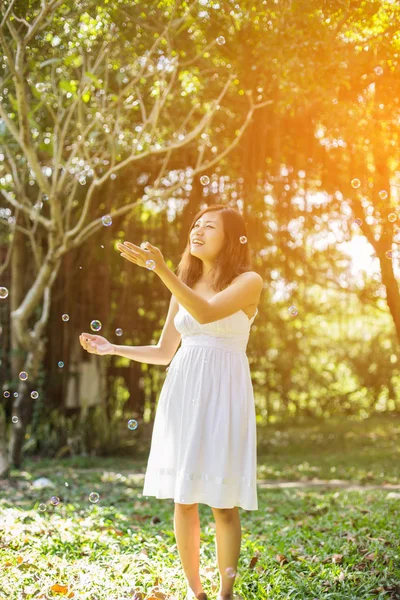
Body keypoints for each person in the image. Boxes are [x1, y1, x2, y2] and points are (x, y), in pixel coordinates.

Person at [79, 204, 263, 600]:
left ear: (230, 239)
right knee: (184, 499)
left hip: (224, 391)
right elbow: (165, 352)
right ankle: (196, 592)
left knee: (223, 503)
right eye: (195, 225)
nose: (197, 231)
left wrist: (161, 271)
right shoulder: (184, 282)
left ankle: (225, 593)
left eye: (209, 226)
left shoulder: (249, 281)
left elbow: (209, 313)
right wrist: (113, 348)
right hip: (184, 390)